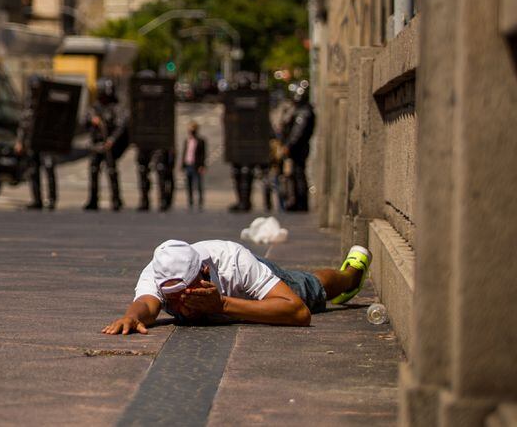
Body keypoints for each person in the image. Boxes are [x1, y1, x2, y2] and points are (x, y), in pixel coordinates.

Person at [102, 239, 373, 335]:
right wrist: (131, 317)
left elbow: (299, 313)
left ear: (204, 273)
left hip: (249, 284)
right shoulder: (159, 273)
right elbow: (146, 305)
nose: (181, 306)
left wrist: (223, 305)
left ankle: (350, 275)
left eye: (188, 294)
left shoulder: (233, 261)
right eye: (172, 300)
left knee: (309, 287)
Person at [83, 78, 128, 211]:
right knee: (93, 171)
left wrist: (112, 140)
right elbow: (84, 120)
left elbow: (121, 125)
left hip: (109, 145)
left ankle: (116, 199)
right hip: (97, 144)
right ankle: (93, 199)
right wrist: (92, 120)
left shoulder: (115, 107)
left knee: (112, 171)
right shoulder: (95, 107)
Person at [16, 75, 57, 211]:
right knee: (33, 169)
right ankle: (37, 199)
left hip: (45, 140)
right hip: (32, 141)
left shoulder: (49, 102)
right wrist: (20, 141)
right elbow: (24, 124)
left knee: (49, 166)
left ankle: (51, 199)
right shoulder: (29, 103)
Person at [281, 84, 315, 212]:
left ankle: (300, 202)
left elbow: (297, 132)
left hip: (299, 149)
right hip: (299, 147)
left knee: (298, 174)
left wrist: (289, 145)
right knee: (296, 174)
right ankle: (297, 201)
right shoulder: (303, 110)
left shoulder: (304, 112)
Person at [180, 122, 207, 210]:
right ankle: (190, 201)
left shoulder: (201, 141)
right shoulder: (187, 140)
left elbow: (203, 154)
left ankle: (200, 201)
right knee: (189, 184)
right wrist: (182, 164)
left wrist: (202, 165)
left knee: (198, 184)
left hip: (197, 165)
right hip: (188, 164)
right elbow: (185, 153)